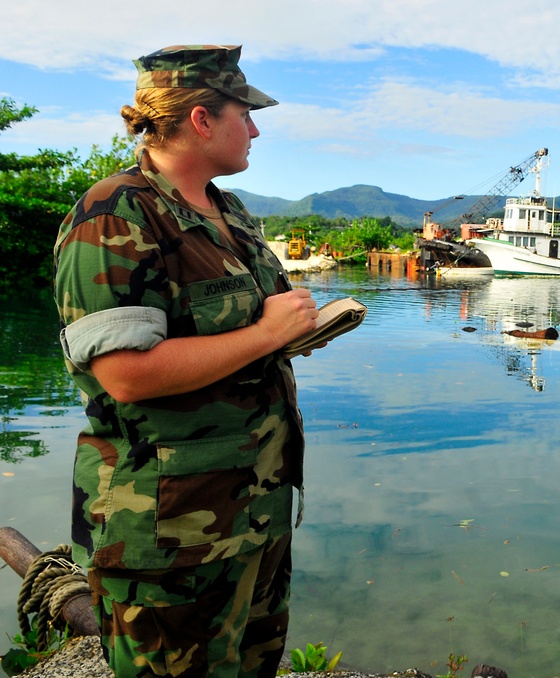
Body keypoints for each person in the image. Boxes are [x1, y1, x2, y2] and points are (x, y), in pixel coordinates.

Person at [53, 45, 320, 677]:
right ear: (202, 120)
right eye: (245, 114)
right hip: (166, 534)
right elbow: (124, 374)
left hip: (253, 513)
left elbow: (246, 330)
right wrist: (263, 336)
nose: (254, 129)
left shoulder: (229, 213)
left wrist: (296, 327)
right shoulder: (113, 214)